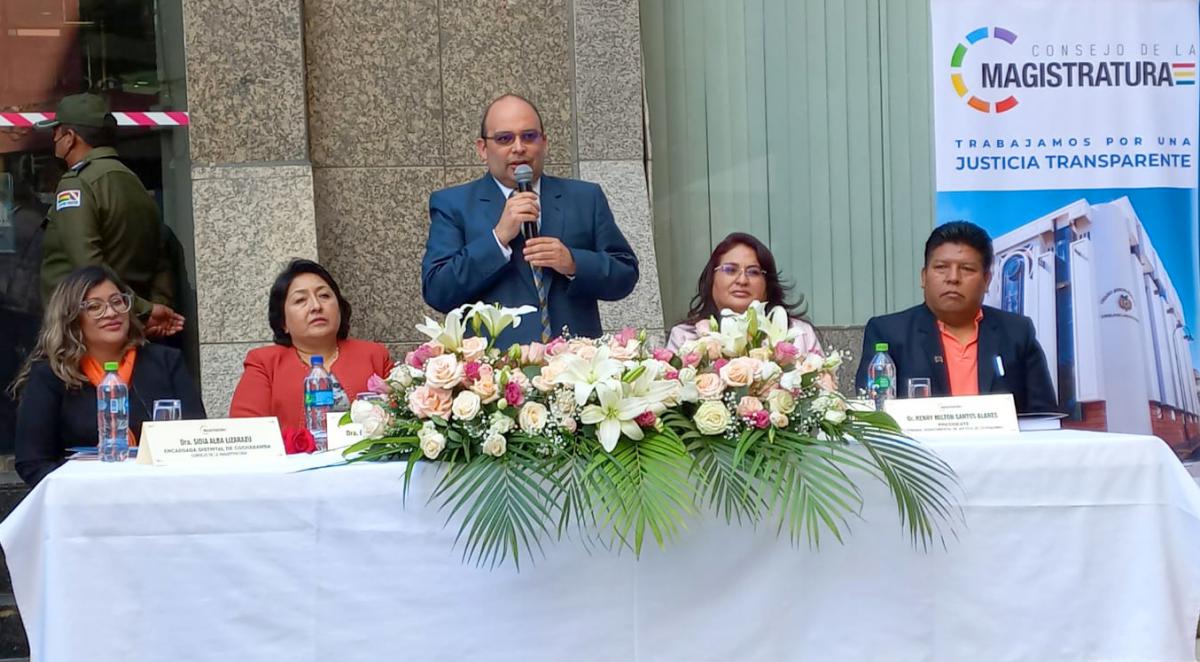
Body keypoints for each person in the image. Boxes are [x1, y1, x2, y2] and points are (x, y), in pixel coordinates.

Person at [421, 93, 639, 349]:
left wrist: (573, 262)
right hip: (493, 376)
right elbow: (437, 290)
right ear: (482, 148)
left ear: (544, 142)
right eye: (504, 138)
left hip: (573, 367)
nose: (518, 148)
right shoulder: (453, 204)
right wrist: (497, 240)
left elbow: (625, 274)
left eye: (529, 136)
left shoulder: (584, 197)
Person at [9, 266, 205, 487]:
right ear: (71, 317)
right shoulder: (52, 374)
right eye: (94, 307)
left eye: (117, 302)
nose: (111, 313)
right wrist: (92, 492)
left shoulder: (166, 361)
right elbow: (33, 462)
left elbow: (196, 441)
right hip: (86, 502)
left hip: (164, 493)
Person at [854, 221, 1057, 413]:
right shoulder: (888, 332)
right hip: (920, 449)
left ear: (987, 280)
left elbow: (1044, 415)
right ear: (924, 277)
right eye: (941, 267)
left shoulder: (1016, 332)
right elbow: (873, 414)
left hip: (999, 449)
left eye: (967, 269)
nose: (953, 278)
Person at [36, 93, 184, 339]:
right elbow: (161, 258)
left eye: (57, 131)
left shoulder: (77, 183)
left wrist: (143, 309)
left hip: (81, 327)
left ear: (70, 138)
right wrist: (152, 308)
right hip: (124, 326)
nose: (53, 138)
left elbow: (87, 263)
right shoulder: (133, 182)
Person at [230, 259, 392, 432]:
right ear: (283, 321)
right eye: (300, 300)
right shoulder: (264, 363)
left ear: (339, 308)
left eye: (324, 296)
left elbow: (402, 419)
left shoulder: (374, 355)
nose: (316, 306)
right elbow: (246, 431)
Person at [667, 232, 823, 357]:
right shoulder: (685, 337)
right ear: (711, 279)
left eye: (753, 272)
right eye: (730, 270)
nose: (742, 280)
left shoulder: (799, 333)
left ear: (767, 284)